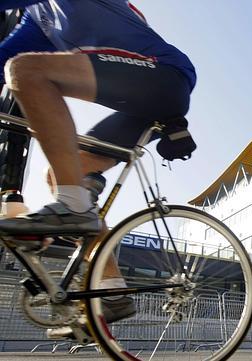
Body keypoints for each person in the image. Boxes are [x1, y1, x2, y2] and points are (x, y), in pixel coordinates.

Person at [0, 0, 196, 338]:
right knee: (63, 174)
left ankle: (74, 205)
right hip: (136, 100)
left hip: (163, 75)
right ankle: (112, 292)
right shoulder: (39, 21)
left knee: (27, 71)